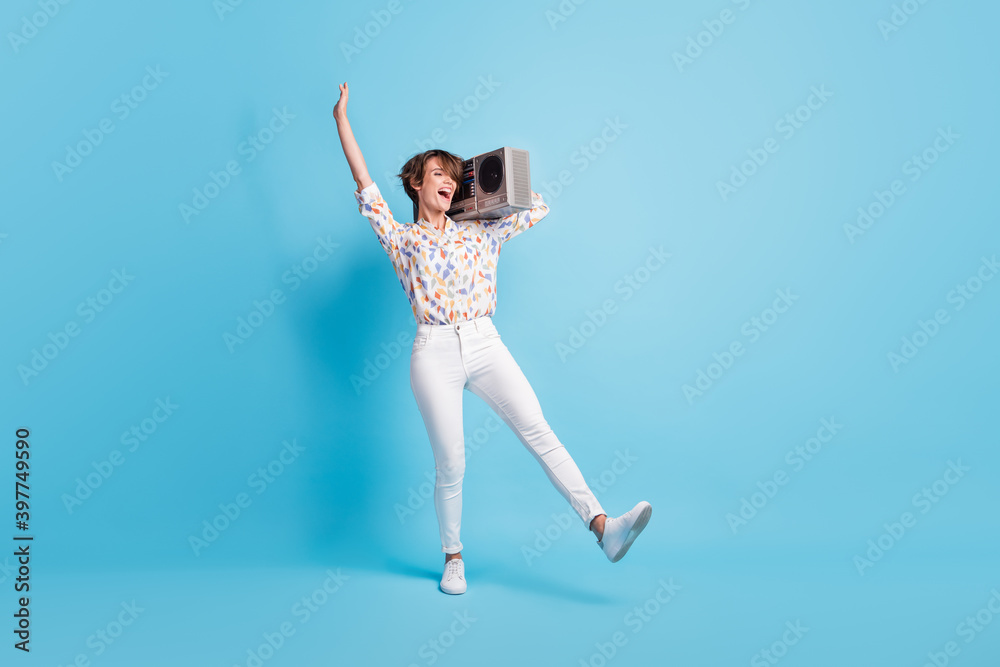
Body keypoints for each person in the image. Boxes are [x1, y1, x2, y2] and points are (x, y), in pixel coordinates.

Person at [333, 81, 651, 595]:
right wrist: (342, 120)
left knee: (538, 430)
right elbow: (366, 184)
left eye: (453, 178)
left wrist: (486, 194)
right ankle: (453, 558)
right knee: (452, 460)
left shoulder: (482, 230)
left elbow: (537, 206)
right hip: (432, 351)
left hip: (485, 342)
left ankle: (604, 529)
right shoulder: (404, 238)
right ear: (416, 183)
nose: (447, 183)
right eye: (439, 174)